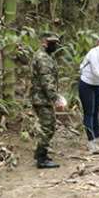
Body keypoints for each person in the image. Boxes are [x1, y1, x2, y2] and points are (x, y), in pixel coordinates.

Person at [30, 33, 65, 169]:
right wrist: (56, 99)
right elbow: (46, 81)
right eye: (52, 43)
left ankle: (41, 154)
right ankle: (41, 158)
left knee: (48, 125)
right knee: (48, 127)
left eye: (56, 43)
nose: (55, 45)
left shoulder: (46, 56)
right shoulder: (43, 58)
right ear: (44, 42)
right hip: (41, 98)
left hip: (42, 98)